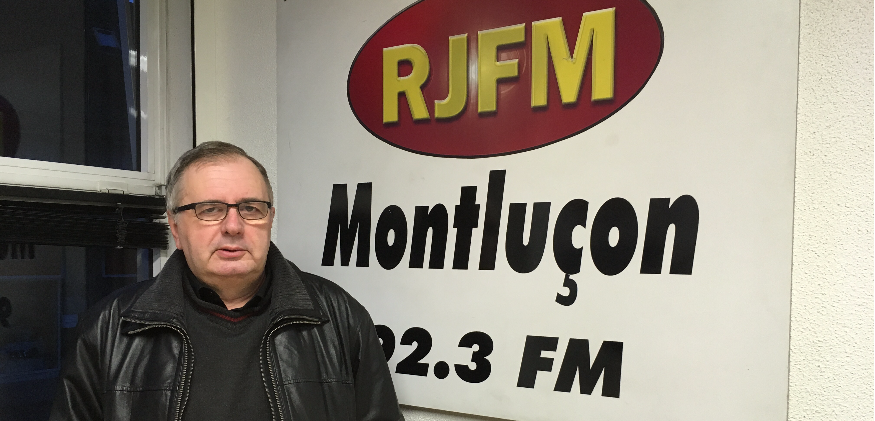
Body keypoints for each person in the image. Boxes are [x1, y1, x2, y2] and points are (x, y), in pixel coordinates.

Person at [50, 141, 404, 420]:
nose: (233, 226)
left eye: (251, 208)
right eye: (210, 210)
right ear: (175, 227)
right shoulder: (110, 328)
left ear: (269, 219)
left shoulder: (339, 318)